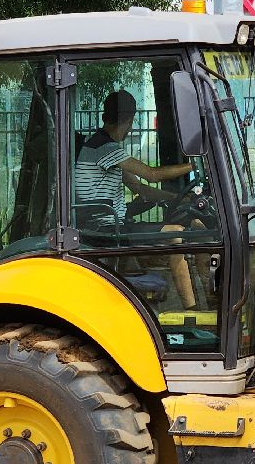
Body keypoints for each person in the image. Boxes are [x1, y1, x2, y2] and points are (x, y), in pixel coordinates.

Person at [74, 89, 199, 306]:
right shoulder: (105, 148)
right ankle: (192, 309)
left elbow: (141, 189)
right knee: (176, 234)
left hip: (108, 223)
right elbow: (152, 174)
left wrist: (179, 198)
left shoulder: (99, 148)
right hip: (105, 227)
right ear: (128, 120)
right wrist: (193, 165)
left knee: (191, 226)